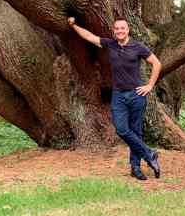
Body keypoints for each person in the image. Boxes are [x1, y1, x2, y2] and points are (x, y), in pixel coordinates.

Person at [68, 15, 162, 181]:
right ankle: (150, 154)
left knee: (136, 132)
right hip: (118, 95)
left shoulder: (138, 47)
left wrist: (149, 85)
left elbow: (156, 63)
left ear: (128, 30)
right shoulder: (110, 44)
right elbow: (90, 37)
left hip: (136, 95)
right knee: (121, 129)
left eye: (122, 28)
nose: (119, 31)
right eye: (117, 28)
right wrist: (73, 25)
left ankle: (136, 168)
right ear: (114, 30)